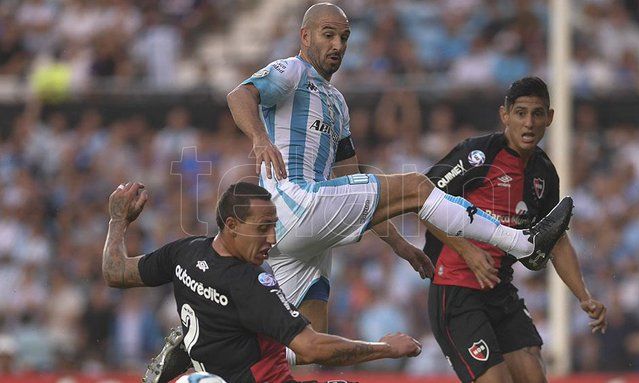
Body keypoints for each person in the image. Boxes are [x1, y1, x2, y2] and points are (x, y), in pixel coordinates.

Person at [225, 2, 572, 336]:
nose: (337, 45)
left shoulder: (337, 104)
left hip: (299, 230)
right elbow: (239, 95)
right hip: (291, 202)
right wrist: (259, 138)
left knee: (308, 343)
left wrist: (400, 246)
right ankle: (525, 244)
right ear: (305, 36)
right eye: (327, 35)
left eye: (344, 38)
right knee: (417, 187)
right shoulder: (293, 70)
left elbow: (349, 182)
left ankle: (206, 350)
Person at [103, 181, 422, 383]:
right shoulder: (252, 283)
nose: (272, 238)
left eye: (274, 226)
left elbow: (115, 273)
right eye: (262, 228)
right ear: (232, 225)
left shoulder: (184, 252)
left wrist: (119, 220)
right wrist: (386, 349)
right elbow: (311, 349)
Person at [424, 77, 608, 383]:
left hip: (500, 291)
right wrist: (467, 251)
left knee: (534, 375)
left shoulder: (544, 172)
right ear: (504, 115)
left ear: (549, 117)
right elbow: (422, 200)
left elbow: (556, 239)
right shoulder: (476, 155)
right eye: (521, 113)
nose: (529, 122)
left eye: (537, 114)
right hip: (455, 290)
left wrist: (583, 296)